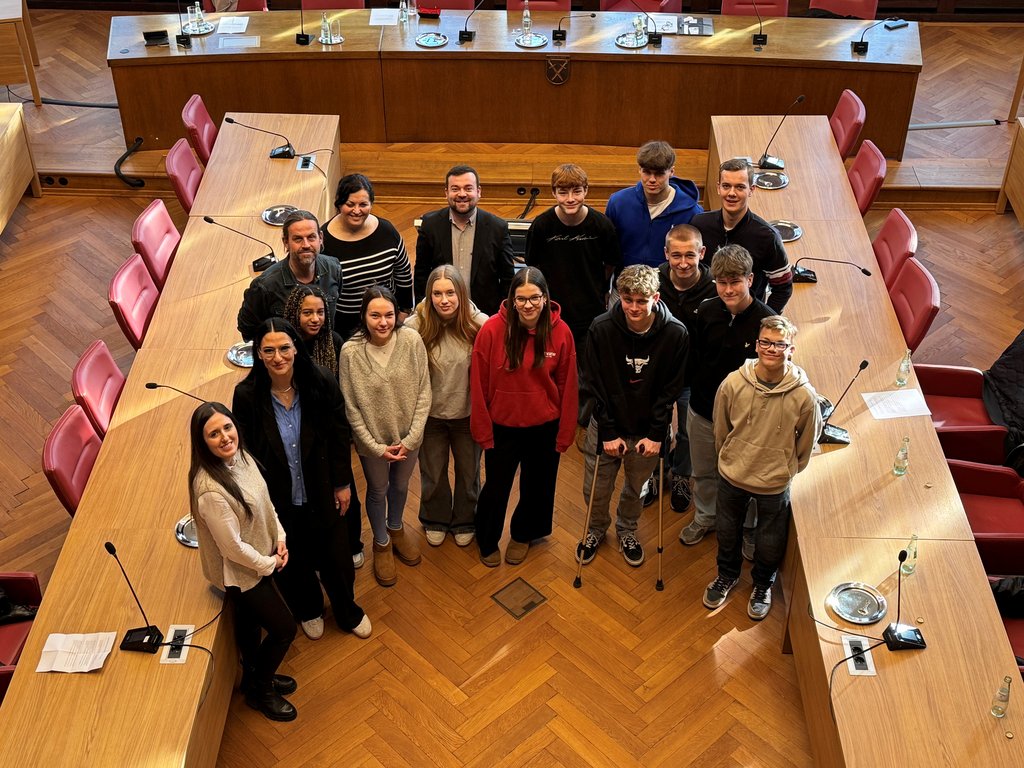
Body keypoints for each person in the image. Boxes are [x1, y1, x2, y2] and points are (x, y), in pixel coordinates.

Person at [232, 319, 371, 642]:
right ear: (258, 354)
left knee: (337, 558)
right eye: (268, 350)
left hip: (324, 489)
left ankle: (347, 610)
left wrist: (342, 483)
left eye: (284, 348)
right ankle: (309, 609)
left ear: (295, 348)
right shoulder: (247, 395)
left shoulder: (320, 381)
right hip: (279, 498)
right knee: (294, 560)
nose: (278, 357)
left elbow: (339, 435)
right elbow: (246, 452)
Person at [703, 315, 822, 619]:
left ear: (791, 349)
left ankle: (762, 584)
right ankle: (727, 575)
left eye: (779, 344)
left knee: (770, 539)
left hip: (774, 481)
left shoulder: (804, 396)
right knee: (727, 531)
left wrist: (786, 468)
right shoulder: (733, 383)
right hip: (733, 474)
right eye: (765, 342)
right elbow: (721, 428)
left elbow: (807, 441)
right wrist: (730, 458)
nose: (771, 349)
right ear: (756, 345)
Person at [188, 401, 298, 722]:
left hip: (263, 556)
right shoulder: (210, 491)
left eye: (227, 427)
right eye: (213, 434)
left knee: (250, 627)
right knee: (284, 629)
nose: (225, 437)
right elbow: (232, 549)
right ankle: (260, 692)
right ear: (202, 442)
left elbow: (264, 500)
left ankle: (254, 677)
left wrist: (280, 537)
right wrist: (268, 564)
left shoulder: (241, 456)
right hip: (241, 573)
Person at [576, 265, 688, 568]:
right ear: (619, 297)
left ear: (656, 297)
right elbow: (594, 383)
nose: (634, 308)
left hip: (648, 431)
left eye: (642, 301)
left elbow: (671, 389)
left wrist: (656, 434)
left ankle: (627, 530)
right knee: (595, 488)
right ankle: (595, 529)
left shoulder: (676, 333)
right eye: (628, 300)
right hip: (607, 425)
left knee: (636, 489)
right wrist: (608, 431)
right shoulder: (601, 328)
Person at [470, 267, 578, 567]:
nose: (528, 305)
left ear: (545, 298)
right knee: (496, 487)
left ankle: (523, 534)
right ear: (512, 299)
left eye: (534, 298)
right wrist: (482, 429)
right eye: (521, 299)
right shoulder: (491, 330)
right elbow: (478, 383)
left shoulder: (561, 332)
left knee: (538, 486)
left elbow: (568, 386)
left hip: (544, 427)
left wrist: (565, 433)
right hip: (502, 425)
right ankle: (487, 539)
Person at [682, 245, 776, 549]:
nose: (728, 290)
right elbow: (694, 357)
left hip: (745, 419)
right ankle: (706, 516)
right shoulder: (707, 310)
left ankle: (746, 528)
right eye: (721, 283)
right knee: (703, 471)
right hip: (702, 409)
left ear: (750, 280)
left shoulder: (767, 323)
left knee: (745, 477)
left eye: (735, 282)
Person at [340, 286, 432, 587]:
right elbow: (350, 405)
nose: (383, 322)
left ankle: (396, 528)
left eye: (389, 315)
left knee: (401, 486)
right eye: (375, 315)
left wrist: (412, 437)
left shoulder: (412, 340)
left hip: (408, 438)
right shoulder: (350, 352)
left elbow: (424, 391)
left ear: (397, 315)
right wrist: (375, 447)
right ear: (363, 316)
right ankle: (380, 543)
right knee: (378, 490)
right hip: (373, 445)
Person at [405, 265, 487, 548]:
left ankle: (465, 519)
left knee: (469, 472)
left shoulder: (480, 325)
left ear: (461, 294)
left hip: (467, 414)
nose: (444, 300)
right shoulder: (414, 327)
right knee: (433, 472)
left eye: (450, 293)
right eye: (437, 294)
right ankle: (435, 518)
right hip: (430, 416)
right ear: (429, 296)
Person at [524, 163, 621, 357]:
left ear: (586, 191)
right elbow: (533, 266)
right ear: (554, 193)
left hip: (590, 312)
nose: (570, 199)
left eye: (577, 191)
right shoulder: (541, 225)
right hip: (552, 312)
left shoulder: (602, 226)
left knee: (586, 366)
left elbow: (610, 264)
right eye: (563, 192)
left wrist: (600, 288)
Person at [657, 224, 717, 513]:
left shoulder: (715, 289)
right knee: (656, 427)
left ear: (702, 253)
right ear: (666, 253)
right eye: (676, 255)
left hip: (693, 378)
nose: (683, 263)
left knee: (687, 432)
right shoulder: (654, 282)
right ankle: (655, 473)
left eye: (690, 255)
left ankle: (681, 475)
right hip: (657, 377)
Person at [691, 158, 793, 312]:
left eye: (740, 187)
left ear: (751, 190)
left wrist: (764, 319)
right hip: (706, 316)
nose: (731, 193)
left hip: (747, 317)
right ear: (718, 188)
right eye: (726, 186)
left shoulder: (767, 237)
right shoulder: (699, 225)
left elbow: (783, 288)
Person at [320, 174, 414, 339]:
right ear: (339, 203)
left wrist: (403, 313)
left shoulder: (387, 231)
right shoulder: (324, 240)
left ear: (371, 204)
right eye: (350, 204)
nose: (357, 211)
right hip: (345, 326)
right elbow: (322, 290)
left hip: (385, 322)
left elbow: (403, 275)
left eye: (363, 204)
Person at [414, 164, 515, 315]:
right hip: (441, 314)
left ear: (478, 192)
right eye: (455, 189)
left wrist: (503, 315)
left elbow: (507, 279)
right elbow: (421, 274)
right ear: (446, 193)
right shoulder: (430, 225)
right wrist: (424, 311)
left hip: (484, 315)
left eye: (468, 188)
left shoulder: (497, 228)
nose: (462, 194)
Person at [237, 210, 342, 342]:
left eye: (311, 237)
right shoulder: (265, 286)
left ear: (320, 237)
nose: (306, 245)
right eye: (298, 239)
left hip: (325, 351)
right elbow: (248, 330)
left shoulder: (333, 268)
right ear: (286, 242)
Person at [605, 140, 703, 269]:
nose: (652, 179)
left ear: (671, 171)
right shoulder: (618, 202)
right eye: (646, 172)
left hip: (668, 280)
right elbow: (608, 250)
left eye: (659, 173)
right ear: (639, 170)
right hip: (625, 279)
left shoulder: (692, 212)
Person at [283, 285, 342, 376]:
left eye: (320, 312)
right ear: (294, 314)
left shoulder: (334, 341)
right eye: (307, 313)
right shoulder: (284, 342)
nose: (315, 319)